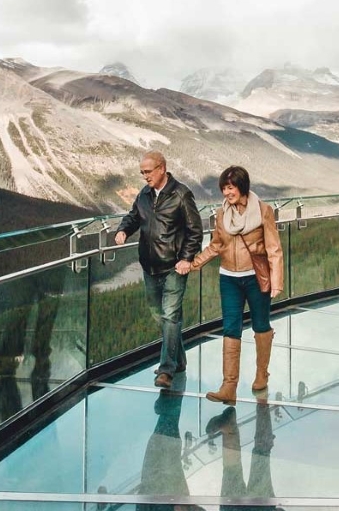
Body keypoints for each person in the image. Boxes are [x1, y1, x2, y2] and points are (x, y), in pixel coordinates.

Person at [182, 166, 283, 405]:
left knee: (261, 325)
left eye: (231, 187)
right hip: (228, 278)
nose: (227, 193)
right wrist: (194, 263)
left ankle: (262, 373)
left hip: (256, 278)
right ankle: (229, 386)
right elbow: (217, 245)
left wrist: (277, 281)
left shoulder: (263, 211)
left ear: (242, 186)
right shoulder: (221, 214)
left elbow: (274, 248)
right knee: (230, 328)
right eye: (224, 189)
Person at [115, 151, 203, 388]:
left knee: (171, 315)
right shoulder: (144, 195)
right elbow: (134, 217)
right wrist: (123, 230)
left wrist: (186, 259)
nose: (145, 177)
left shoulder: (181, 194)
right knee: (159, 315)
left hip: (174, 267)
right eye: (142, 173)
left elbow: (195, 230)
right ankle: (178, 360)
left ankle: (166, 370)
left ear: (162, 168)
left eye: (148, 172)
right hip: (149, 266)